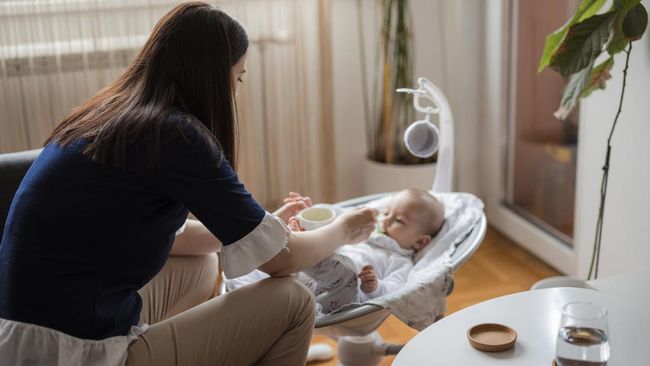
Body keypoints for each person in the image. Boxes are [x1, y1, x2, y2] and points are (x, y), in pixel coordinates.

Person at [0, 3, 377, 366]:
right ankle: (271, 343)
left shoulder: (115, 115)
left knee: (199, 265)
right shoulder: (175, 133)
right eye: (238, 76)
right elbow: (283, 261)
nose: (235, 89)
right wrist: (344, 227)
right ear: (214, 76)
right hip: (73, 352)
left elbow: (177, 237)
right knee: (294, 300)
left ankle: (250, 346)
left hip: (24, 336)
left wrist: (261, 228)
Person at [286, 189, 444, 314]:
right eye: (387, 212)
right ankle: (302, 242)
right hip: (308, 283)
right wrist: (310, 216)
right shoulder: (368, 231)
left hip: (340, 296)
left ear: (420, 242)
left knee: (349, 270)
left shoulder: (400, 261)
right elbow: (340, 222)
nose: (386, 220)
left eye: (399, 220)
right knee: (328, 226)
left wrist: (375, 286)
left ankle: (301, 246)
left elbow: (395, 290)